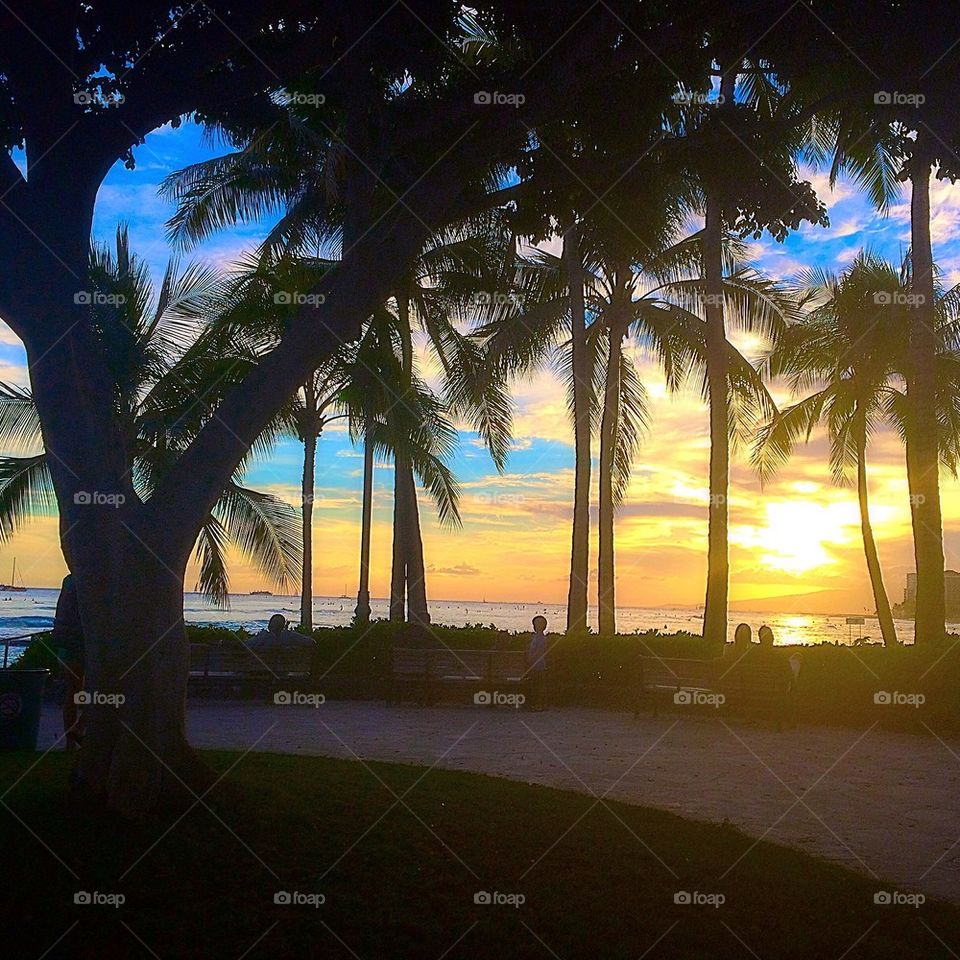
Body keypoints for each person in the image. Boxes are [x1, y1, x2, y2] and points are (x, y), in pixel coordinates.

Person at [53, 574, 84, 749]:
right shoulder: (91, 579)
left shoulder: (70, 580)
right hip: (84, 642)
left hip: (66, 642)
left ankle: (70, 742)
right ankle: (78, 729)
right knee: (103, 689)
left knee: (73, 692)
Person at [247, 614, 314, 652]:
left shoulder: (263, 637)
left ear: (270, 626)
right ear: (283, 626)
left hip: (261, 670)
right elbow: (311, 642)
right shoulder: (290, 636)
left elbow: (245, 645)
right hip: (284, 672)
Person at [525, 615, 548, 710]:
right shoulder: (538, 637)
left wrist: (530, 660)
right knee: (536, 684)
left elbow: (538, 651)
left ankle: (537, 704)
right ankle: (536, 704)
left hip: (537, 664)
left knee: (537, 684)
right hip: (537, 664)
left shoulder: (540, 638)